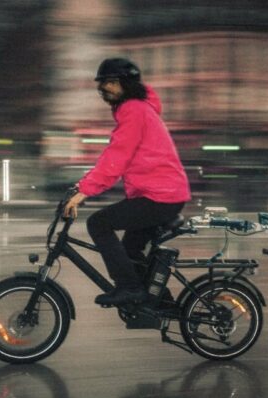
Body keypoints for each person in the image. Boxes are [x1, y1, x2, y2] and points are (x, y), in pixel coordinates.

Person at [63, 58, 191, 306]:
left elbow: (116, 156)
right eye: (102, 83)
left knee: (99, 223)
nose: (104, 88)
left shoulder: (134, 110)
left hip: (160, 197)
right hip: (161, 195)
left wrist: (84, 190)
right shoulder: (136, 109)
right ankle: (157, 301)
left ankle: (130, 288)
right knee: (129, 251)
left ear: (126, 84)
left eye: (111, 82)